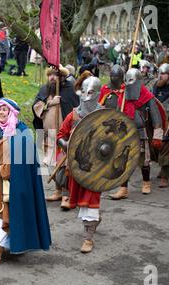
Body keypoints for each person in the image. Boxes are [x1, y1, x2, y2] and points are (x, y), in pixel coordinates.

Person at [0, 98, 51, 267]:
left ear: (12, 112)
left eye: (4, 110)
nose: (0, 113)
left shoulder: (23, 133)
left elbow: (25, 163)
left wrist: (5, 170)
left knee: (8, 214)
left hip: (15, 184)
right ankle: (1, 247)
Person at [56, 76, 102, 253]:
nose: (85, 96)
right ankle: (95, 218)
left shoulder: (104, 114)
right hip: (75, 166)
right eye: (83, 92)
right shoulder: (74, 114)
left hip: (97, 168)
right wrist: (67, 144)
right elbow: (60, 135)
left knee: (91, 199)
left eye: (90, 92)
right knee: (83, 200)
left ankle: (88, 239)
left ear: (97, 94)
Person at [109, 68, 164, 199]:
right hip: (126, 132)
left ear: (139, 81)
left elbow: (156, 117)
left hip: (141, 131)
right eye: (126, 80)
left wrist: (157, 135)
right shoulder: (122, 96)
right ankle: (123, 189)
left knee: (143, 160)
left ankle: (146, 183)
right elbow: (117, 114)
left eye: (131, 80)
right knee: (123, 160)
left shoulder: (147, 96)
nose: (128, 83)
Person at [32, 65, 79, 209]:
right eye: (50, 75)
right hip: (48, 135)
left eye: (55, 75)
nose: (52, 78)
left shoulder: (69, 90)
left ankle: (67, 194)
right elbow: (36, 106)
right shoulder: (45, 89)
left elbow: (76, 109)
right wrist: (50, 103)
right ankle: (58, 191)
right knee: (53, 163)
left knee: (65, 164)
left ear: (62, 77)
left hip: (63, 136)